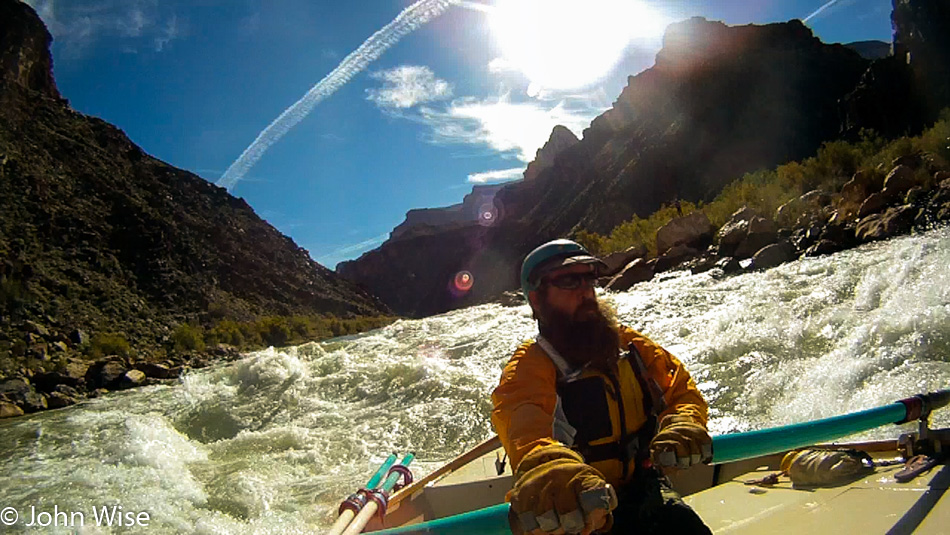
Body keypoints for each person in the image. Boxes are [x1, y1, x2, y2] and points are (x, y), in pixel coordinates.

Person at [491, 239, 713, 535]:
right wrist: (549, 465)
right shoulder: (529, 368)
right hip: (583, 508)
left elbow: (680, 390)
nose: (585, 290)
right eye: (569, 280)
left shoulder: (628, 344)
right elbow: (524, 425)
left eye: (589, 278)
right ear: (536, 298)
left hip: (643, 490)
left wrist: (683, 420)